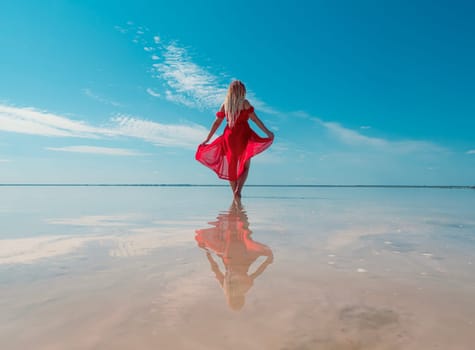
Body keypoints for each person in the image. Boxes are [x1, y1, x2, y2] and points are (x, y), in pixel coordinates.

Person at [196, 80, 274, 198]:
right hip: (244, 135)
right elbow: (255, 120)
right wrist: (267, 132)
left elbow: (216, 123)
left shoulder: (225, 105)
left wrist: (208, 139)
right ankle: (239, 189)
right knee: (246, 165)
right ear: (242, 91)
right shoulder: (245, 103)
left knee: (232, 167)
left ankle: (235, 195)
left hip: (230, 137)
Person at [195, 200, 274, 311]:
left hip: (241, 257)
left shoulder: (244, 286)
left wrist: (267, 262)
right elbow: (215, 269)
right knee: (235, 233)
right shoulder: (229, 287)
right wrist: (207, 253)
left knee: (239, 232)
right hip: (233, 257)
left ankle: (237, 208)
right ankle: (237, 208)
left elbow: (256, 273)